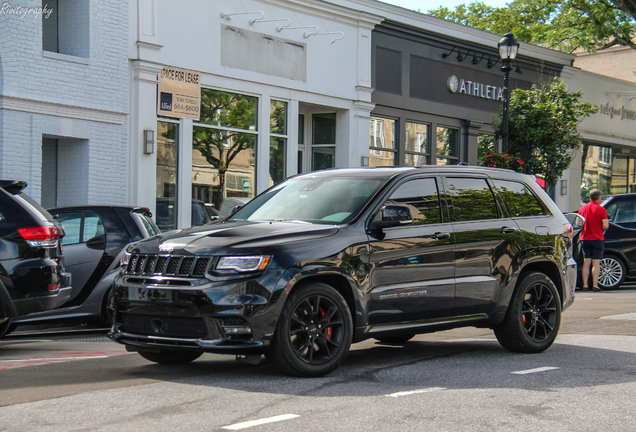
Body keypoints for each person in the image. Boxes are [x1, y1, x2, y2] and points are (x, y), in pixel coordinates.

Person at [578, 189, 609, 292]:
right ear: (599, 198)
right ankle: (595, 285)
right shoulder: (601, 210)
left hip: (585, 238)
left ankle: (585, 285)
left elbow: (579, 224)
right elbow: (605, 225)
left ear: (590, 197)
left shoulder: (582, 209)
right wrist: (601, 228)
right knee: (596, 263)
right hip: (597, 238)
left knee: (586, 262)